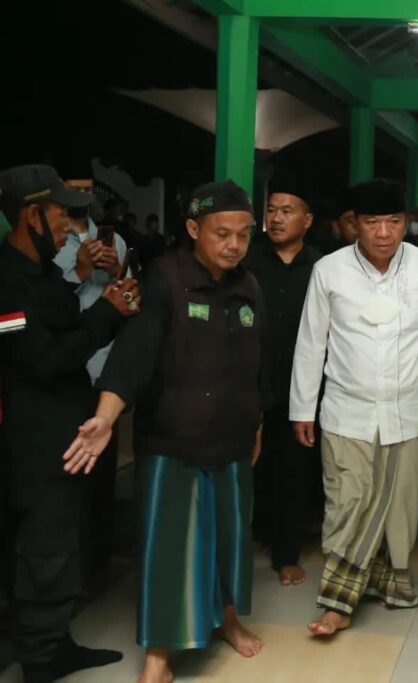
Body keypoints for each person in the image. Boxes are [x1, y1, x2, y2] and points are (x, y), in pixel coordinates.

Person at [64, 180, 268, 683]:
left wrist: (257, 422)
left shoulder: (249, 285)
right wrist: (106, 417)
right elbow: (132, 357)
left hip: (232, 438)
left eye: (243, 234)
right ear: (194, 228)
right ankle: (159, 653)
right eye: (222, 233)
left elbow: (257, 364)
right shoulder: (163, 280)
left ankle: (226, 620)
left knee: (229, 539)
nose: (234, 245)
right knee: (168, 547)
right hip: (174, 441)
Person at [292, 179, 418, 636]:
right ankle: (338, 601)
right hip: (347, 409)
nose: (384, 233)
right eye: (372, 222)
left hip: (409, 409)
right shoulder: (329, 270)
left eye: (393, 221)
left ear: (406, 223)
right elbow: (311, 342)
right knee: (348, 499)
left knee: (400, 501)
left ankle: (391, 583)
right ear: (354, 225)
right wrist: (302, 407)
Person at [0, 164, 134, 683]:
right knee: (42, 550)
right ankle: (40, 658)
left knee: (59, 544)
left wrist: (103, 301)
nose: (68, 225)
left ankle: (56, 642)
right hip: (34, 443)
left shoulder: (43, 273)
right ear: (31, 215)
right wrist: (107, 313)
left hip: (64, 432)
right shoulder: (9, 281)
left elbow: (65, 329)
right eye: (61, 214)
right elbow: (42, 359)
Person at [244, 178, 323, 587]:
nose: (276, 218)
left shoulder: (322, 267)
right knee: (252, 467)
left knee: (294, 469)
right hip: (250, 381)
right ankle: (250, 536)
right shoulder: (247, 260)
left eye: (286, 211)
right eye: (271, 210)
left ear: (307, 220)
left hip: (302, 387)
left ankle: (286, 553)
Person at [53, 164, 128, 583]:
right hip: (65, 369)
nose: (82, 197)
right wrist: (80, 270)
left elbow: (128, 297)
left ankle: (98, 557)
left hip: (104, 371)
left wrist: (117, 274)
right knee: (68, 472)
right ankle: (71, 564)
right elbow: (41, 303)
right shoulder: (50, 239)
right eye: (73, 188)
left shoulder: (113, 239)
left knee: (103, 473)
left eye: (87, 189)